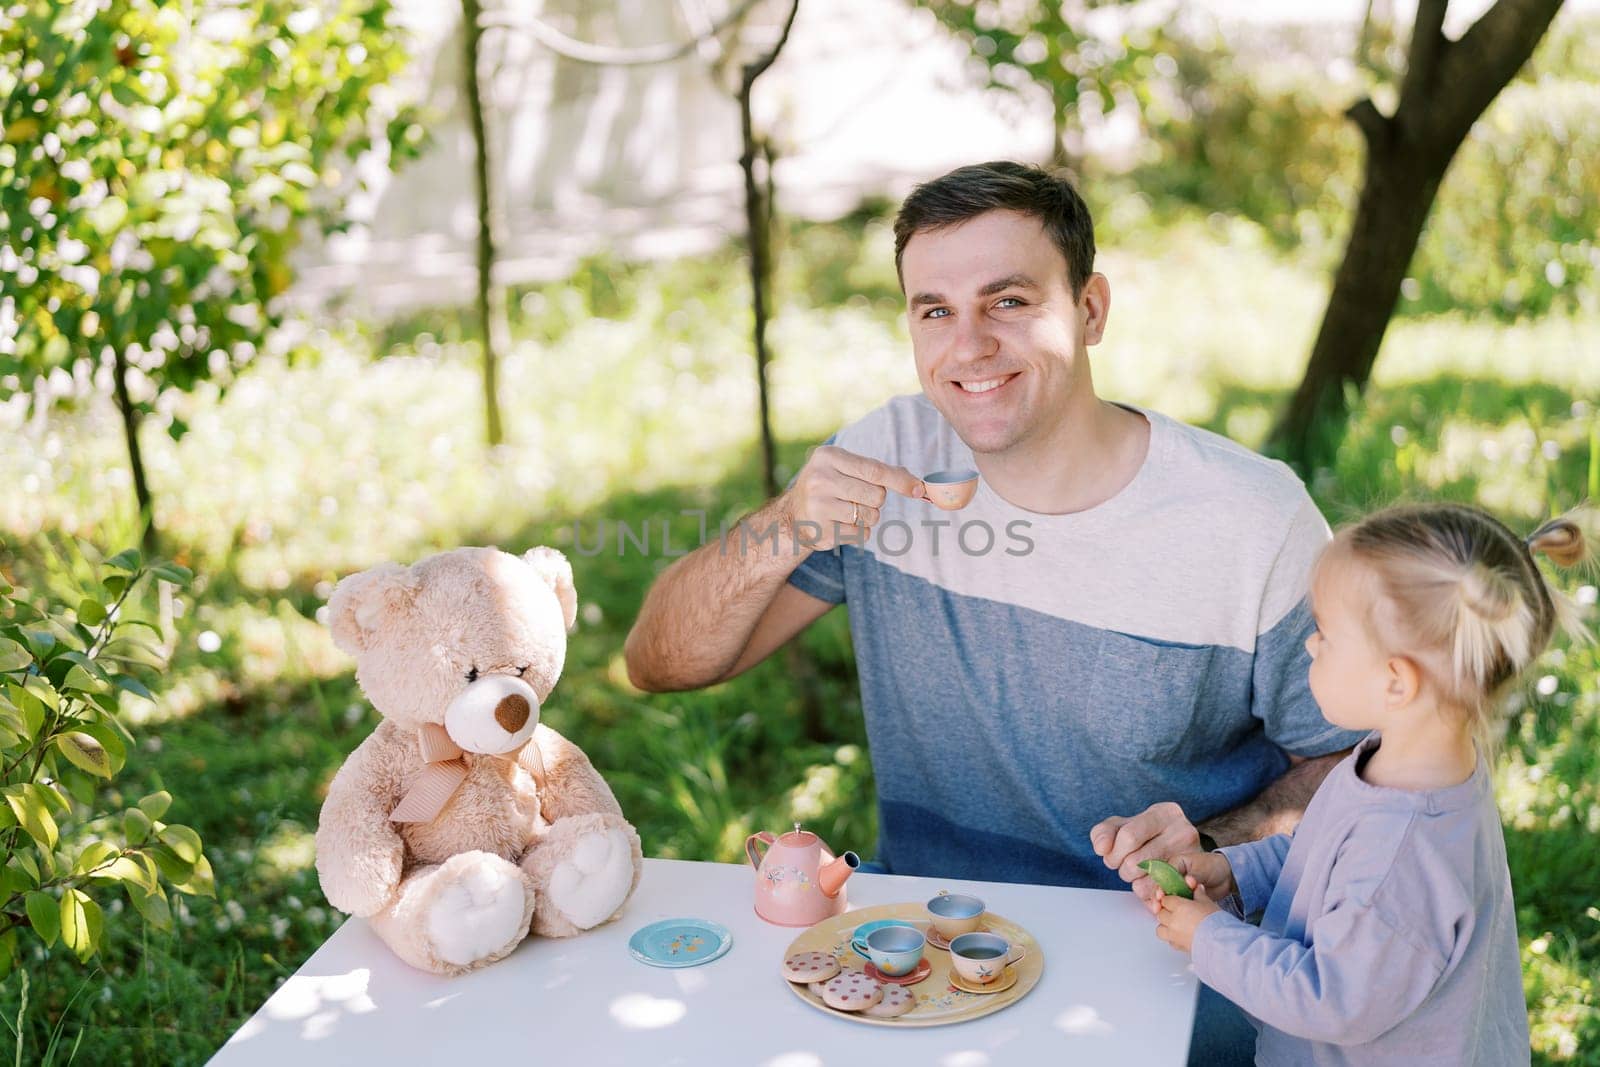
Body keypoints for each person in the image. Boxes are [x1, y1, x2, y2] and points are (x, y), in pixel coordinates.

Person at [624, 160, 1364, 1063]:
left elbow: (1359, 761)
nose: (966, 346)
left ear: (1090, 309)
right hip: (924, 936)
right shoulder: (888, 458)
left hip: (1160, 942)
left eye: (1007, 301)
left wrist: (1223, 840)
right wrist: (783, 525)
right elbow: (661, 661)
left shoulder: (1250, 518)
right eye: (934, 310)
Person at [1152, 504, 1592, 1065]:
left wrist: (1209, 936)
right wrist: (1236, 872)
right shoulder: (1404, 764)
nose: (1310, 647)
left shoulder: (1407, 851)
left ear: (1395, 682)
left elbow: (1326, 1000)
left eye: (1325, 634)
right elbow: (1328, 853)